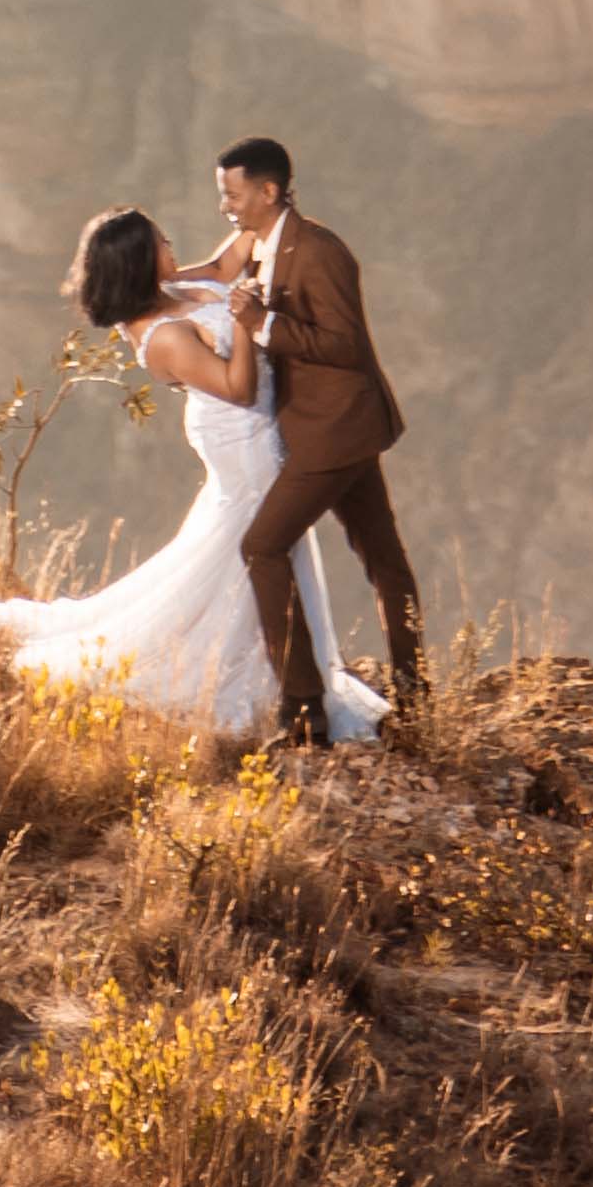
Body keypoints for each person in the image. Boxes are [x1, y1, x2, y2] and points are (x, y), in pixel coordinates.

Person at [0, 204, 388, 742]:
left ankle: (294, 675)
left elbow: (232, 259)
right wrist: (249, 327)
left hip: (259, 435)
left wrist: (262, 212)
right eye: (162, 243)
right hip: (240, 438)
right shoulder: (163, 337)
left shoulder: (174, 290)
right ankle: (271, 682)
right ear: (139, 261)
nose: (172, 249)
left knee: (245, 547)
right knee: (255, 545)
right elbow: (238, 388)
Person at [213, 131, 425, 745]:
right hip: (333, 428)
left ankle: (304, 709)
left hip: (333, 431)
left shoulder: (320, 252)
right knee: (383, 559)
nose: (225, 205)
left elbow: (344, 345)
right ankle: (416, 693)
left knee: (263, 547)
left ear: (269, 191)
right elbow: (219, 268)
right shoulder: (262, 243)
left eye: (232, 193)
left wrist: (262, 325)